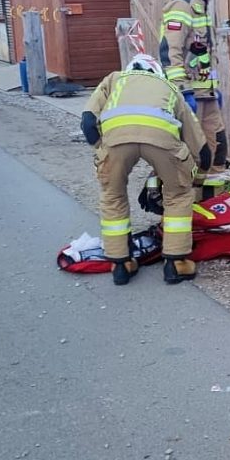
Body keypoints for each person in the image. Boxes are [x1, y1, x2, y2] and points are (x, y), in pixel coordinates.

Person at [81, 54, 210, 286]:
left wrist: (102, 151)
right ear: (156, 73)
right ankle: (175, 263)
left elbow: (88, 121)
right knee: (178, 194)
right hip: (162, 140)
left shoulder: (113, 80)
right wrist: (196, 178)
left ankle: (121, 264)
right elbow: (198, 143)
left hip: (116, 140)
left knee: (112, 195)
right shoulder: (169, 87)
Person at [158, 0, 227, 198]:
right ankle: (182, 200)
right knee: (192, 152)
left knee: (217, 148)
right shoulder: (182, 3)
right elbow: (169, 51)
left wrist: (211, 88)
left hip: (205, 93)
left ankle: (211, 203)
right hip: (191, 95)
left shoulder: (199, 2)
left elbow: (199, 50)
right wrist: (182, 92)